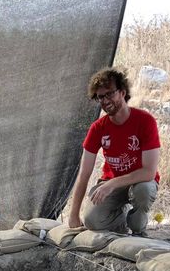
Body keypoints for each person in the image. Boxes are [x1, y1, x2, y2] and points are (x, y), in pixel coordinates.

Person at [67, 67, 160, 235]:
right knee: (92, 220)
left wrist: (113, 183)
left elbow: (149, 172)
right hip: (111, 184)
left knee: (144, 191)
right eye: (100, 97)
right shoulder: (97, 128)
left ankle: (138, 227)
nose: (105, 101)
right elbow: (84, 173)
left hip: (139, 181)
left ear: (122, 92)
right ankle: (121, 222)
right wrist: (73, 215)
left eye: (109, 94)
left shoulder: (145, 121)